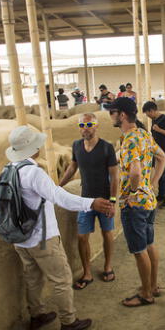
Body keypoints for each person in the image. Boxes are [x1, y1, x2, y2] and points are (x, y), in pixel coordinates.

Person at [4, 125, 113, 330]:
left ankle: (37, 315)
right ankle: (69, 322)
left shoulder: (8, 170)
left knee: (33, 278)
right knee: (62, 279)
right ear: (33, 148)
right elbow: (59, 197)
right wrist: (91, 203)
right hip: (41, 237)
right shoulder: (34, 173)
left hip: (19, 238)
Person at [107, 97, 165, 307]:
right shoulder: (143, 134)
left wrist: (132, 194)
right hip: (148, 201)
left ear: (122, 115)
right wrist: (151, 184)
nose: (111, 116)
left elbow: (134, 171)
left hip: (135, 205)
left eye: (112, 112)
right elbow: (162, 158)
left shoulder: (129, 140)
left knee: (139, 249)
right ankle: (153, 286)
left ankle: (145, 294)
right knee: (150, 245)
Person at [59, 113, 119, 289]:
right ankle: (87, 272)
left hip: (105, 199)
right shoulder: (76, 145)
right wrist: (59, 186)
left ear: (96, 125)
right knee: (82, 236)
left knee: (107, 233)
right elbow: (73, 167)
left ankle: (107, 266)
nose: (85, 128)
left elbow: (114, 177)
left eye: (89, 124)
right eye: (82, 125)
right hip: (85, 200)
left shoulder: (107, 148)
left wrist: (113, 201)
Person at [143, 101, 165, 208]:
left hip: (164, 152)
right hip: (157, 152)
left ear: (152, 110)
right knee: (160, 175)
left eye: (148, 114)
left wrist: (159, 130)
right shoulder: (154, 120)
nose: (148, 116)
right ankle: (161, 196)